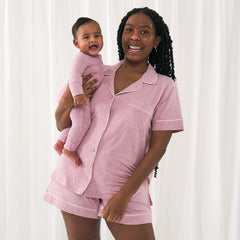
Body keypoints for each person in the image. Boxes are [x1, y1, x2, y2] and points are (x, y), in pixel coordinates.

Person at [44, 7, 184, 240]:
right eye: (129, 30)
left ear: (156, 40)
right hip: (75, 180)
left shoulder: (164, 88)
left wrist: (123, 196)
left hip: (123, 187)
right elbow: (61, 123)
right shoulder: (96, 73)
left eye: (144, 31)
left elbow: (158, 148)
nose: (135, 37)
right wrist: (69, 97)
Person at [53, 17, 104, 166]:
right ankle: (69, 149)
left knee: (76, 122)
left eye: (97, 35)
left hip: (81, 96)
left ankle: (61, 141)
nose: (92, 40)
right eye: (86, 37)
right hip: (76, 97)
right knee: (83, 121)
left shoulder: (96, 58)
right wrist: (77, 95)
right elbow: (74, 76)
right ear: (76, 43)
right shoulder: (81, 58)